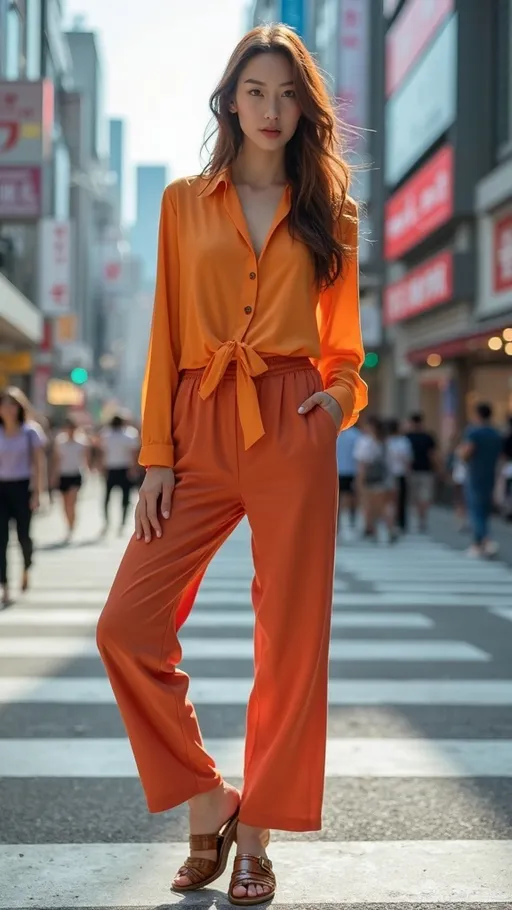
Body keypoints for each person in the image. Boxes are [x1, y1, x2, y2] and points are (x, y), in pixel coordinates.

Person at [96, 24, 367, 907]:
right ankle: (207, 794)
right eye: (256, 91)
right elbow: (165, 334)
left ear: (306, 108)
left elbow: (346, 353)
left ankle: (252, 837)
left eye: (288, 95)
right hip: (200, 416)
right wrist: (158, 455)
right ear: (229, 99)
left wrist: (334, 406)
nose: (273, 110)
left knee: (292, 642)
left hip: (293, 423)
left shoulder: (333, 212)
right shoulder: (183, 203)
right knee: (127, 627)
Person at [0, 388, 45, 605]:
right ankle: (5, 586)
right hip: (1, 489)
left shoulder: (31, 432)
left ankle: (26, 568)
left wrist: (38, 493)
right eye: (4, 404)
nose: (7, 409)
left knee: (23, 537)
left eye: (12, 404)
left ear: (19, 407)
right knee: (1, 540)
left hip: (22, 488)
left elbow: (38, 464)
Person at [457, 402, 503, 558]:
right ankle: (480, 543)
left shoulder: (474, 433)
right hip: (490, 474)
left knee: (476, 510)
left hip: (475, 474)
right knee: (483, 510)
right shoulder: (496, 434)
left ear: (477, 415)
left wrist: (460, 453)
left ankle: (484, 541)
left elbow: (466, 452)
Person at [98, 415, 140, 535]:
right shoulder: (129, 434)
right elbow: (133, 454)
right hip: (123, 468)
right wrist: (134, 468)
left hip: (113, 468)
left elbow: (102, 453)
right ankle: (121, 522)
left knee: (108, 497)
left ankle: (108, 522)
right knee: (124, 497)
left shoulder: (106, 434)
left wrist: (101, 468)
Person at [52, 417, 91, 541]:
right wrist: (54, 476)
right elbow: (56, 460)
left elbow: (85, 459)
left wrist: (88, 472)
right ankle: (68, 525)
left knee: (72, 502)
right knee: (64, 504)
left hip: (75, 474)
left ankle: (72, 527)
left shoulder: (82, 442)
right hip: (63, 475)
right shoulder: (60, 442)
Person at [354, 416, 393, 541]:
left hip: (369, 478)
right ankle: (388, 528)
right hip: (383, 477)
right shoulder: (385, 442)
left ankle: (371, 529)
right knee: (382, 506)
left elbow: (362, 464)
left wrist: (359, 480)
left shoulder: (365, 442)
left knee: (369, 505)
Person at [407, 412, 438, 532]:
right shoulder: (428, 437)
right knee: (424, 496)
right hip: (426, 470)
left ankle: (416, 518)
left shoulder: (408, 437)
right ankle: (422, 519)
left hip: (413, 471)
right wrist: (438, 469)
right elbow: (433, 455)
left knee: (414, 496)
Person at [385, 418, 413, 535]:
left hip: (388, 474)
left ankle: (391, 523)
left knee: (389, 500)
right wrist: (408, 473)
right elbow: (408, 459)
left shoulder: (386, 442)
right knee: (401, 500)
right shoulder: (403, 441)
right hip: (400, 473)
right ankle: (400, 523)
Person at [335, 423, 361, 535]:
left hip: (342, 470)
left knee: (340, 498)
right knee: (349, 497)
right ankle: (349, 518)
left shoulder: (336, 433)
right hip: (348, 470)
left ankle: (339, 523)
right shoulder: (356, 434)